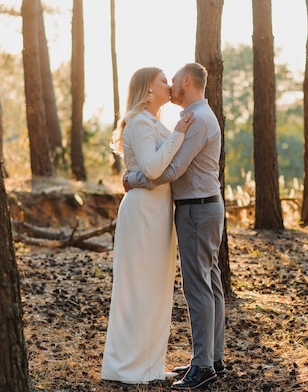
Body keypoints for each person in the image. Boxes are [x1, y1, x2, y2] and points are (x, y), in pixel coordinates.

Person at [123, 62, 226, 390]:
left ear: (187, 81)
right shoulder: (198, 116)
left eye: (173, 81)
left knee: (198, 287)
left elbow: (170, 171)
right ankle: (213, 358)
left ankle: (203, 365)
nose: (170, 86)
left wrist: (133, 178)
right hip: (205, 206)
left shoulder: (195, 119)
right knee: (211, 284)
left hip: (196, 210)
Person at [101, 67, 195, 384]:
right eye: (163, 81)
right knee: (139, 290)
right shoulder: (139, 121)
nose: (169, 85)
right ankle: (127, 368)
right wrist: (180, 132)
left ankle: (151, 367)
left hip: (158, 213)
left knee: (156, 289)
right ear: (148, 88)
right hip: (142, 214)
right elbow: (154, 168)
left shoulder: (155, 122)